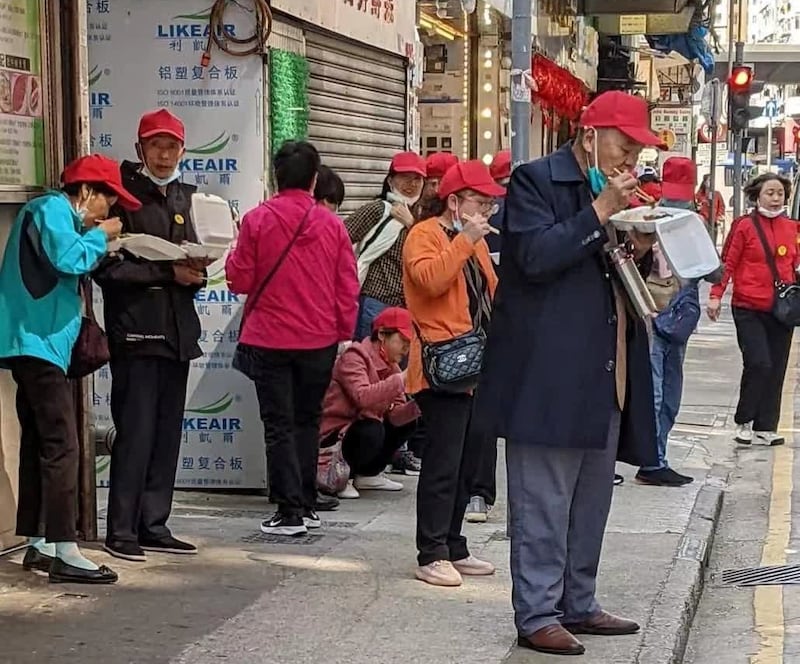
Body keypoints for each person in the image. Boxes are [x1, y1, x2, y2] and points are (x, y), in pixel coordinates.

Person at [476, 91, 662, 656]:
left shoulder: (613, 195)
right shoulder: (536, 181)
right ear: (589, 137)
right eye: (625, 148)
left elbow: (617, 275)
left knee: (590, 502)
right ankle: (536, 613)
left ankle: (578, 601)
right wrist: (602, 212)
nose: (632, 163)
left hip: (607, 369)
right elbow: (533, 258)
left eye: (638, 153)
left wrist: (643, 242)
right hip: (547, 375)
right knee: (543, 503)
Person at [0, 154, 137, 583]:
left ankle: (39, 541)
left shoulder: (54, 214)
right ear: (89, 191)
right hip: (37, 342)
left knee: (42, 442)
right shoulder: (50, 209)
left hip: (36, 343)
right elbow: (68, 260)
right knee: (63, 445)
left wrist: (96, 237)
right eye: (108, 202)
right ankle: (66, 548)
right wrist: (103, 235)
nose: (109, 212)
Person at [227, 140, 359, 537]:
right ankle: (306, 503)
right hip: (318, 340)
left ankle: (288, 512)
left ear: (275, 176)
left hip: (269, 339)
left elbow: (240, 279)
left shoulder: (256, 220)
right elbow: (347, 286)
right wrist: (343, 334)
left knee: (279, 425)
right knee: (307, 420)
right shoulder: (332, 224)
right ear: (315, 179)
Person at [94, 109, 206, 562]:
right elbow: (107, 266)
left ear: (182, 150)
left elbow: (193, 252)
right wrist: (165, 272)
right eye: (155, 145)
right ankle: (121, 530)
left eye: (172, 146)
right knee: (136, 433)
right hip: (137, 332)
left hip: (177, 332)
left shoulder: (183, 195)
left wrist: (197, 270)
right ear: (139, 149)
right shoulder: (123, 198)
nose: (164, 154)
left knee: (165, 435)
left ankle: (154, 523)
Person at [403, 160, 500, 587]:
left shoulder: (472, 239)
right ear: (454, 201)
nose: (485, 212)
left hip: (476, 364)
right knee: (442, 462)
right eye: (479, 202)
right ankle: (432, 550)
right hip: (441, 365)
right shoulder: (423, 235)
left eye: (489, 205)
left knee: (468, 462)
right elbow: (429, 281)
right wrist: (465, 239)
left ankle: (454, 544)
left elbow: (490, 293)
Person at [707, 173, 798, 446]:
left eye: (780, 193)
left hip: (782, 308)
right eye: (770, 192)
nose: (775, 198)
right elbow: (728, 263)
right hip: (748, 306)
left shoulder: (792, 227)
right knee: (759, 362)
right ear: (757, 194)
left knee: (777, 366)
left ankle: (766, 426)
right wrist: (715, 295)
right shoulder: (744, 226)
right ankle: (744, 420)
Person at [638, 157, 700, 487]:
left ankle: (657, 454)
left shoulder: (695, 223)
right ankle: (651, 460)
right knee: (655, 392)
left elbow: (710, 269)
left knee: (671, 395)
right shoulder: (647, 218)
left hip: (679, 318)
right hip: (650, 310)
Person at [319, 307, 419, 499]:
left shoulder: (393, 367)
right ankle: (343, 477)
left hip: (361, 430)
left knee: (407, 423)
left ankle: (369, 473)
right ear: (382, 334)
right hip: (336, 434)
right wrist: (401, 380)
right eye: (403, 342)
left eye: (409, 344)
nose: (406, 349)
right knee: (371, 429)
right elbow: (362, 397)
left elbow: (397, 418)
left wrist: (420, 405)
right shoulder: (355, 356)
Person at [346, 151, 426, 340]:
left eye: (417, 179)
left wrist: (411, 224)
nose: (411, 184)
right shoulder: (379, 209)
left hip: (409, 309)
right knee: (371, 364)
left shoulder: (423, 218)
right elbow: (340, 237)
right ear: (390, 181)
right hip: (376, 304)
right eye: (405, 178)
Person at [415, 152, 459, 220]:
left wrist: (410, 223)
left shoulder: (462, 209)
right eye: (432, 184)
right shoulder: (415, 204)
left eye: (442, 184)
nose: (436, 190)